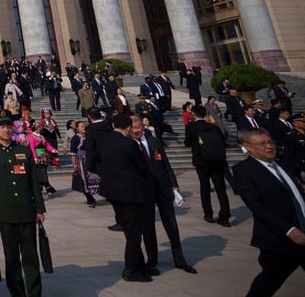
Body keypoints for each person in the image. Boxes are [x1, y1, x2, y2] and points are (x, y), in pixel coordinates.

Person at [0, 110, 51, 297]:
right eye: (0, 126)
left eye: (7, 125)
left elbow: (33, 183)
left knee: (31, 257)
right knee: (12, 260)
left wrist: (40, 208)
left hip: (27, 211)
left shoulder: (23, 151)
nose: (5, 129)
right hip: (5, 214)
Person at [232, 128, 305, 297]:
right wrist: (289, 230)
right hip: (279, 237)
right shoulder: (243, 170)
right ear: (247, 147)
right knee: (270, 279)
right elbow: (257, 206)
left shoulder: (281, 163)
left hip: (302, 227)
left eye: (270, 142)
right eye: (262, 144)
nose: (269, 146)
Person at [129, 116, 196, 274]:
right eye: (133, 128)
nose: (136, 131)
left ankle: (180, 259)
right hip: (143, 191)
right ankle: (152, 260)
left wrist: (174, 184)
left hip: (163, 188)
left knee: (171, 224)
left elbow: (166, 164)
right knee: (148, 227)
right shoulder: (128, 145)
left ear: (143, 127)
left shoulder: (154, 141)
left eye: (138, 128)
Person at [89, 113, 151, 283]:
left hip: (112, 192)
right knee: (134, 233)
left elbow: (93, 159)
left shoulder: (103, 142)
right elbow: (144, 167)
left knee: (129, 230)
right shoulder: (129, 144)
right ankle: (131, 269)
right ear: (129, 127)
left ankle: (139, 265)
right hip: (130, 192)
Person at [184, 104, 231, 226]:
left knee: (204, 187)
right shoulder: (213, 127)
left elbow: (187, 143)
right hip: (217, 160)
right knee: (220, 188)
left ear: (194, 114)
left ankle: (208, 213)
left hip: (201, 161)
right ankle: (225, 216)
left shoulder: (191, 126)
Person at [69, 121, 99, 207]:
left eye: (84, 126)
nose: (83, 128)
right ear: (77, 128)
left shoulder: (89, 137)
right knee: (84, 180)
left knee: (94, 178)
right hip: (81, 161)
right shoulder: (75, 138)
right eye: (81, 126)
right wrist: (74, 164)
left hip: (91, 160)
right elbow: (73, 153)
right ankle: (90, 198)